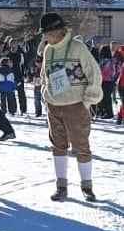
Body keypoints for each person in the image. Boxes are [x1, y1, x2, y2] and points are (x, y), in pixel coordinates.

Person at [38, 12, 102, 202]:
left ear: (57, 30)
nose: (45, 37)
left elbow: (94, 73)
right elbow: (44, 76)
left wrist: (87, 100)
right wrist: (45, 93)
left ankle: (87, 186)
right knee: (58, 146)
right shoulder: (48, 50)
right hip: (54, 106)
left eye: (47, 33)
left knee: (81, 146)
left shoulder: (77, 47)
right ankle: (61, 186)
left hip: (76, 105)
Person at [98, 45, 115, 119]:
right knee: (107, 98)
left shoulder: (104, 61)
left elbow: (101, 71)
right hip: (110, 81)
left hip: (104, 81)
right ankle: (107, 112)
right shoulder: (112, 60)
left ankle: (107, 113)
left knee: (104, 98)